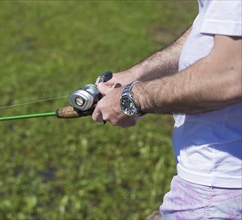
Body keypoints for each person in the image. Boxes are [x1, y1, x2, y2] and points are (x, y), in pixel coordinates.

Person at [92, 0, 242, 219]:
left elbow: (230, 76)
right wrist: (137, 74)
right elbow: (214, 27)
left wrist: (133, 99)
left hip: (217, 188)